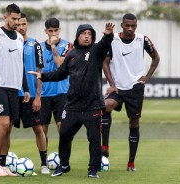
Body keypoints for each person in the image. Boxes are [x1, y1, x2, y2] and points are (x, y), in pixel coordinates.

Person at [29, 22, 115, 178]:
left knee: (94, 139)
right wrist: (43, 76)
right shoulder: (72, 54)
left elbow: (105, 44)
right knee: (64, 136)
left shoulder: (97, 50)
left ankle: (93, 169)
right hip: (72, 106)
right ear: (78, 36)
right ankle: (63, 165)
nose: (87, 36)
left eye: (90, 34)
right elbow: (60, 73)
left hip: (93, 106)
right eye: (84, 33)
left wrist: (108, 35)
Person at [101, 13, 160, 171]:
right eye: (127, 25)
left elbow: (156, 58)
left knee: (134, 123)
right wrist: (112, 84)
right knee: (105, 105)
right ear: (122, 25)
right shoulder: (113, 40)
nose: (130, 28)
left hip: (135, 88)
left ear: (136, 26)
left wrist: (147, 76)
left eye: (133, 26)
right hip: (118, 87)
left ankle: (131, 163)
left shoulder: (142, 39)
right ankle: (104, 147)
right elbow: (105, 62)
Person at [0, 3, 28, 177]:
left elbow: (21, 64)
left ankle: (3, 164)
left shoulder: (19, 37)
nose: (16, 22)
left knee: (9, 128)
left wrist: (25, 88)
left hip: (14, 87)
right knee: (3, 124)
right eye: (13, 18)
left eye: (18, 19)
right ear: (5, 17)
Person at [15, 13, 50, 174]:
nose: (21, 27)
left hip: (30, 95)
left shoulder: (35, 45)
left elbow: (39, 72)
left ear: (27, 25)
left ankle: (44, 164)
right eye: (18, 24)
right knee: (5, 127)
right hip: (12, 94)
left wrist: (38, 97)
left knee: (38, 128)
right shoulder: (10, 43)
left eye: (24, 24)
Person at [40, 17, 73, 146]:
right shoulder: (40, 47)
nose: (53, 34)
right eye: (50, 31)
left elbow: (60, 64)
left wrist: (53, 45)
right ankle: (44, 161)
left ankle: (63, 160)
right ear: (45, 31)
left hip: (62, 92)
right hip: (44, 93)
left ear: (60, 30)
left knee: (62, 127)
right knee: (43, 128)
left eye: (56, 30)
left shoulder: (68, 45)